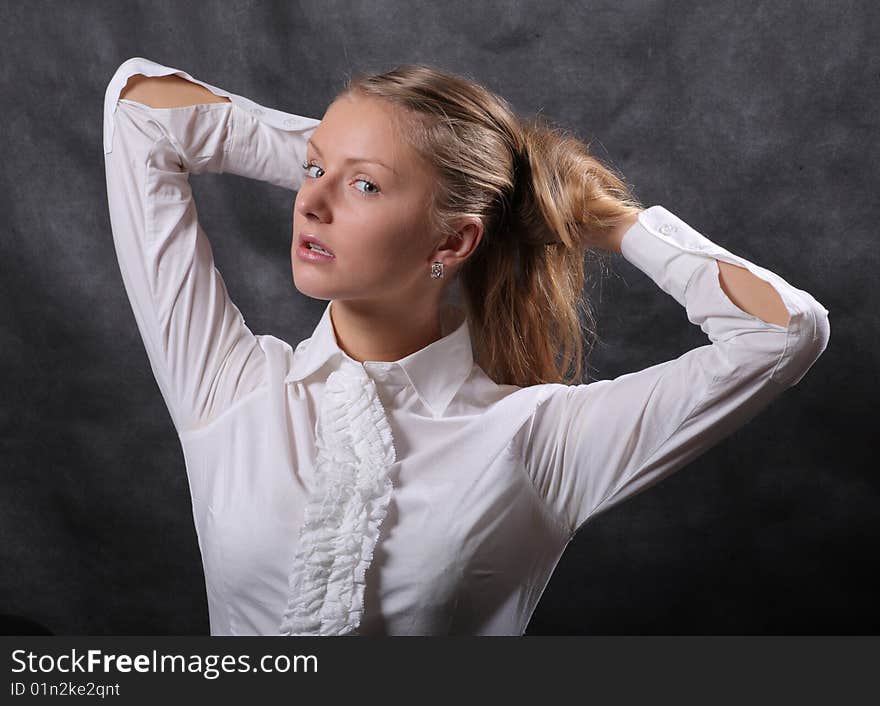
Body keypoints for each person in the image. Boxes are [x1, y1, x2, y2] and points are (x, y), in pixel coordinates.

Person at [102, 57, 830, 636]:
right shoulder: (228, 385)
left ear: (454, 240)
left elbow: (782, 334)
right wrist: (372, 150)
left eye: (362, 187)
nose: (310, 202)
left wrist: (615, 225)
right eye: (312, 171)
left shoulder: (536, 439)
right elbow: (138, 112)